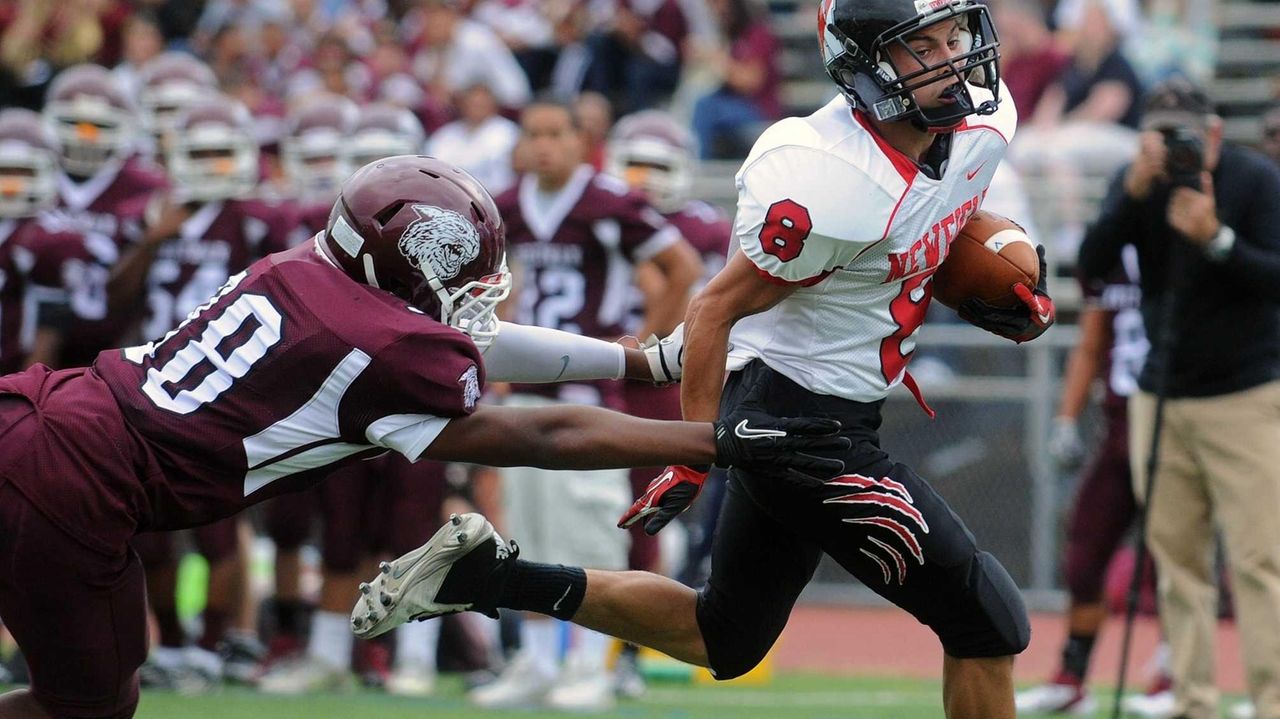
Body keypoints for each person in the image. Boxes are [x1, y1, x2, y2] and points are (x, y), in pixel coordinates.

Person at [355, 1, 1056, 717]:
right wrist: (694, 452)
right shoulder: (830, 180)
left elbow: (938, 212)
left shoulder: (982, 125)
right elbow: (713, 308)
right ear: (864, 60)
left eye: (956, 36)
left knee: (723, 634)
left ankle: (487, 577)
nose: (953, 59)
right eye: (922, 47)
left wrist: (1000, 275)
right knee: (984, 615)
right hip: (803, 428)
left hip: (836, 411)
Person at [0, 154, 845, 719]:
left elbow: (468, 337)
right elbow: (540, 433)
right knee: (91, 706)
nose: (477, 302)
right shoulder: (381, 348)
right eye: (465, 284)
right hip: (77, 485)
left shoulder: (306, 268)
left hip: (36, 413)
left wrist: (637, 360)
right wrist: (715, 443)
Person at [471, 98, 702, 712]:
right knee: (528, 532)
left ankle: (592, 663)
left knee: (592, 532)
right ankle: (540, 662)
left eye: (555, 133)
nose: (543, 145)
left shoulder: (609, 202)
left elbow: (679, 268)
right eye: (533, 134)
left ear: (581, 141)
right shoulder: (508, 205)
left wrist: (642, 345)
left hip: (585, 389)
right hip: (523, 388)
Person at [1077, 78, 1280, 719]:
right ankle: (1193, 701)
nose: (1177, 147)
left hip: (1244, 396)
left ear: (1215, 132)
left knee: (1258, 560)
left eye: (1187, 133)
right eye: (1163, 134)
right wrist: (1131, 196)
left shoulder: (1256, 180)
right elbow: (1089, 268)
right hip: (1159, 395)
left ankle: (1273, 701)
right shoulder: (1138, 182)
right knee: (1176, 563)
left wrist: (1216, 238)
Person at [1015, 247, 1152, 715]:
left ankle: (1173, 677)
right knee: (1084, 552)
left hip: (1177, 427)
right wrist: (1066, 420)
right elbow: (1092, 343)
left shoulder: (1182, 248)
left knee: (1177, 560)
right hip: (1119, 427)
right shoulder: (1115, 250)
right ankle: (1072, 677)